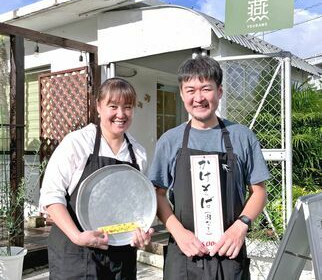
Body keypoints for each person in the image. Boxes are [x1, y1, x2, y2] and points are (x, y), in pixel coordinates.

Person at [148, 55, 270, 280]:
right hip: (184, 254)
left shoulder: (242, 136)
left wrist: (240, 227)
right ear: (182, 94)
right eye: (191, 90)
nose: (199, 98)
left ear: (219, 92)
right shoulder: (170, 140)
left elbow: (259, 192)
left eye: (206, 89)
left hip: (230, 252)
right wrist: (178, 232)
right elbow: (158, 195)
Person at [40, 77, 153, 280]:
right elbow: (51, 196)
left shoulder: (138, 153)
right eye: (113, 106)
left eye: (127, 107)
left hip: (121, 255)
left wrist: (140, 234)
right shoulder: (77, 143)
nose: (121, 114)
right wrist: (77, 236)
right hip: (76, 252)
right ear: (99, 107)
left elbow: (137, 205)